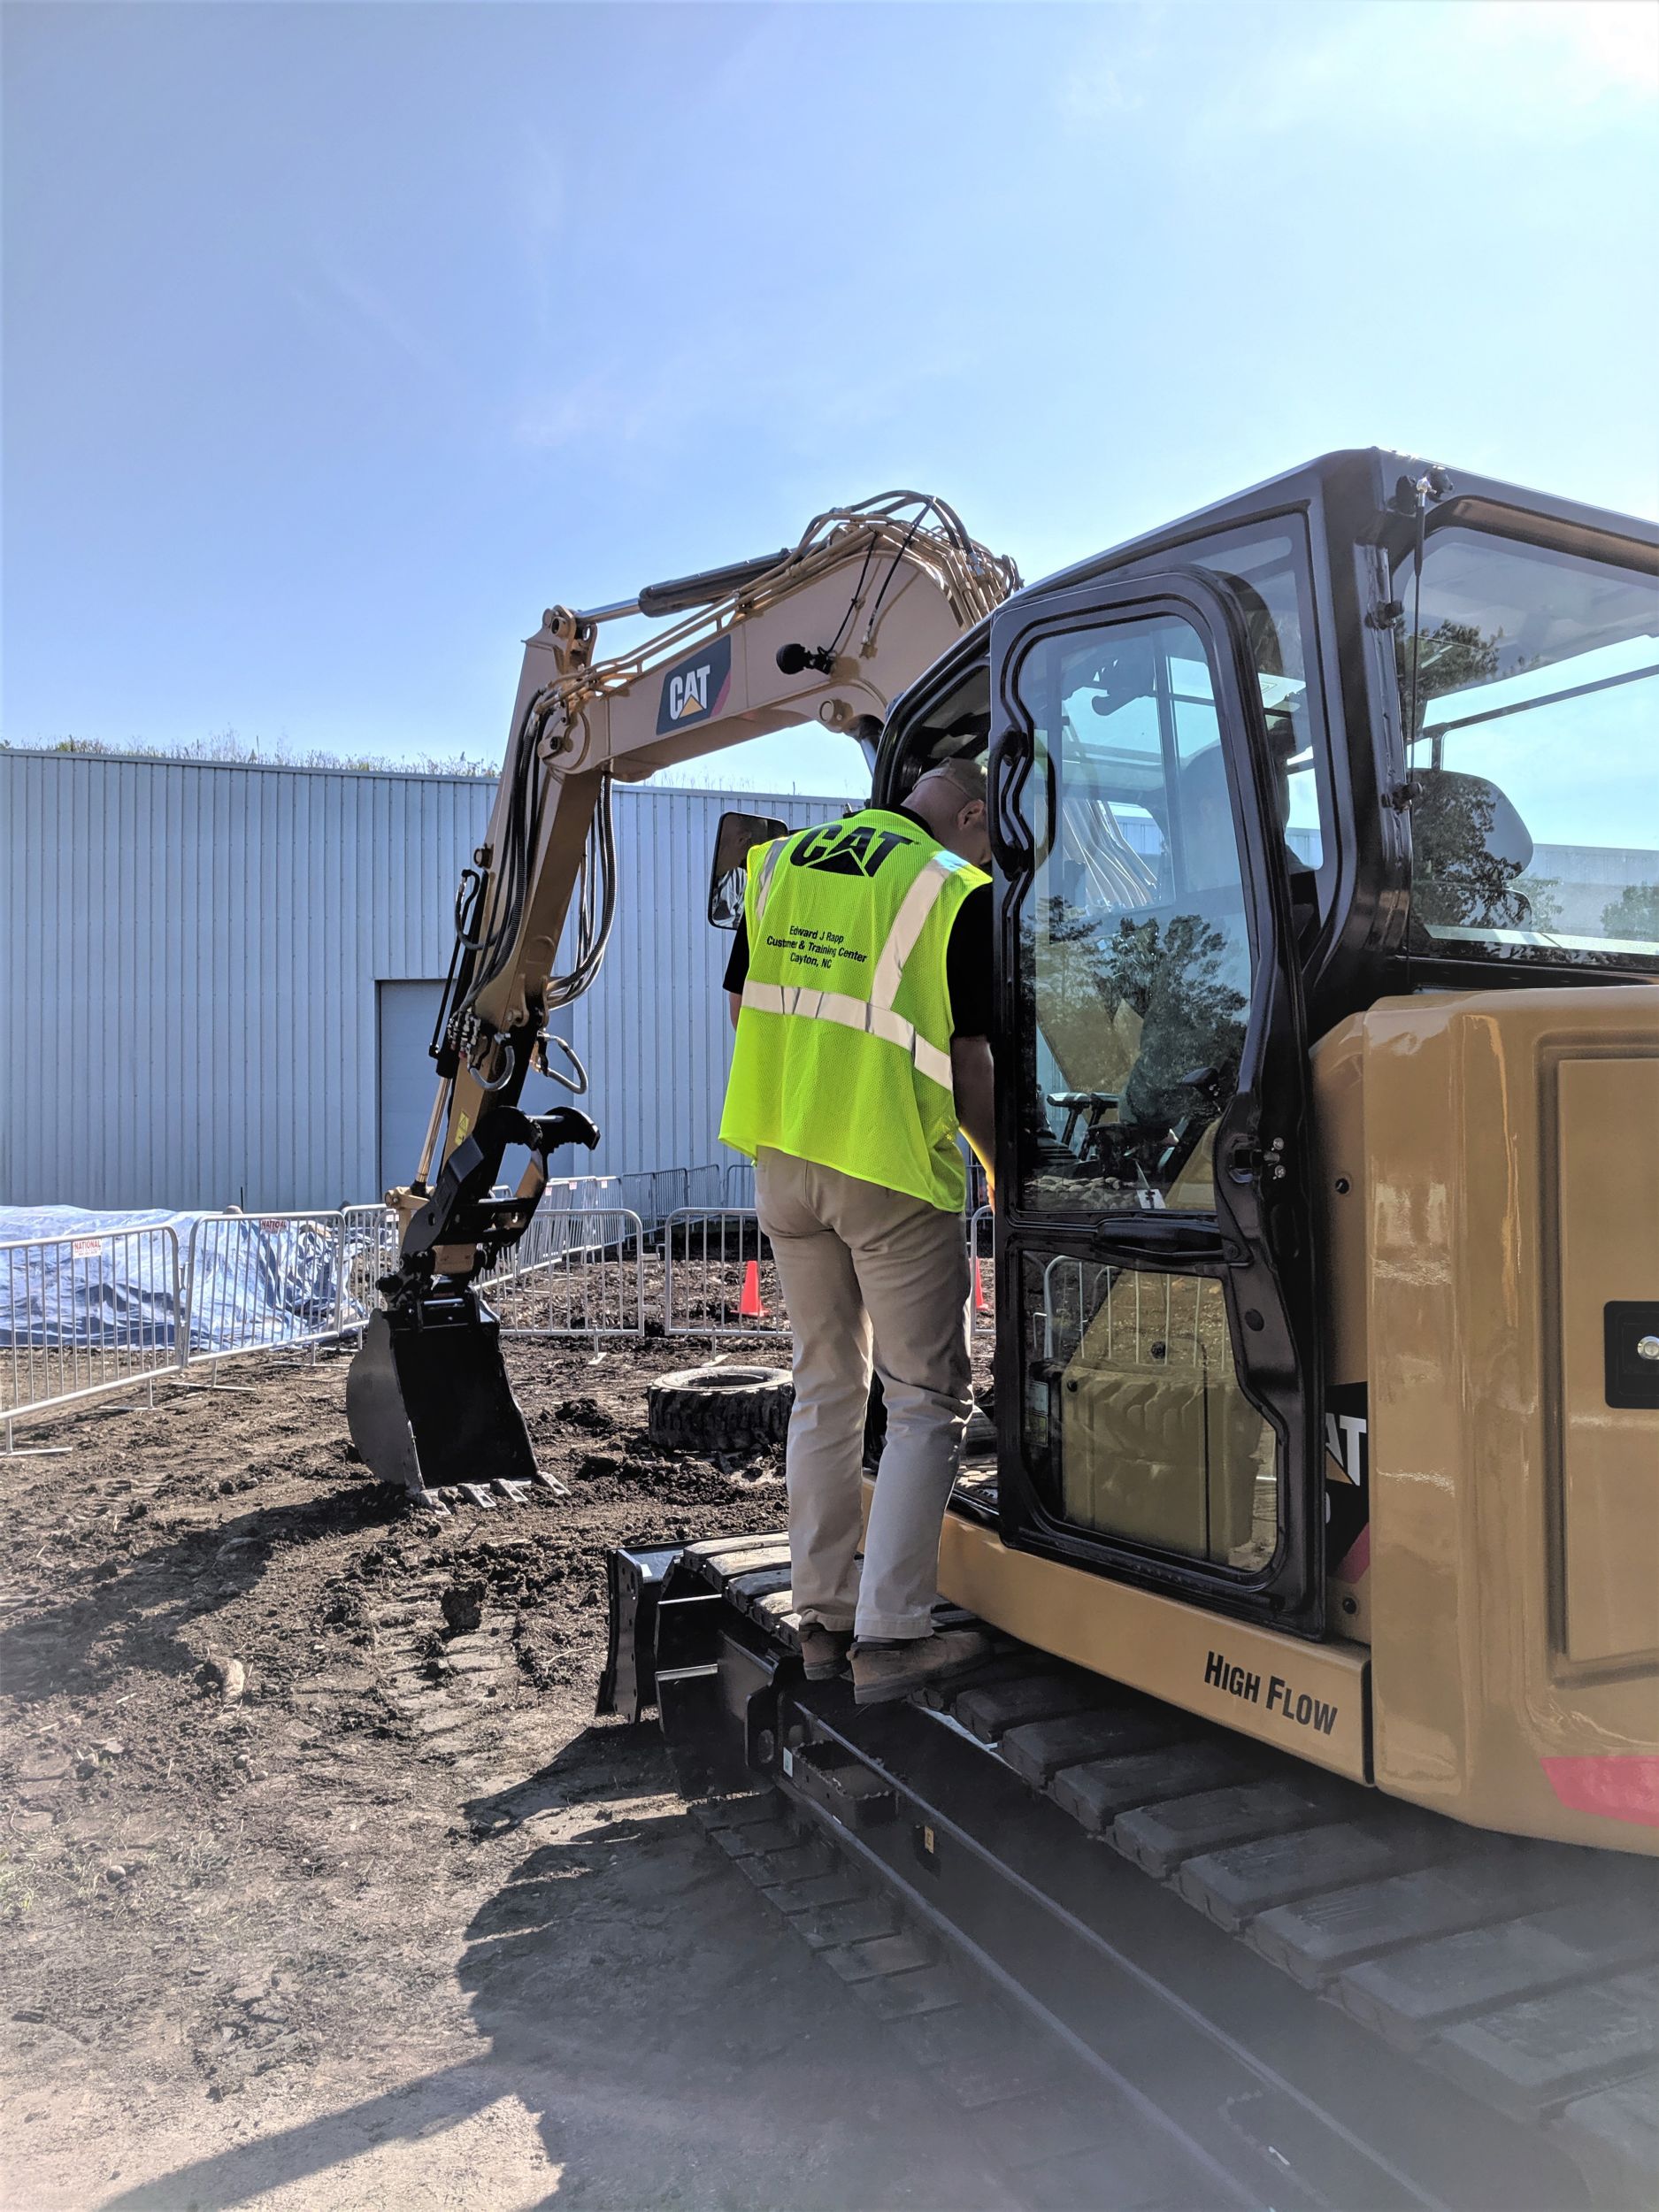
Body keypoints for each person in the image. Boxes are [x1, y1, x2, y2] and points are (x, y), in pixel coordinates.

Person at [718, 757, 996, 1706]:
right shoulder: (951, 889)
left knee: (825, 1385)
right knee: (926, 1397)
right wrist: (1006, 1173)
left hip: (782, 1160)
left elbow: (741, 1010)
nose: (989, 852)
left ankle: (824, 1620)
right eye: (990, 833)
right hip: (884, 1166)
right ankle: (892, 1636)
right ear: (968, 813)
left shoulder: (778, 864)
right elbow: (970, 1065)